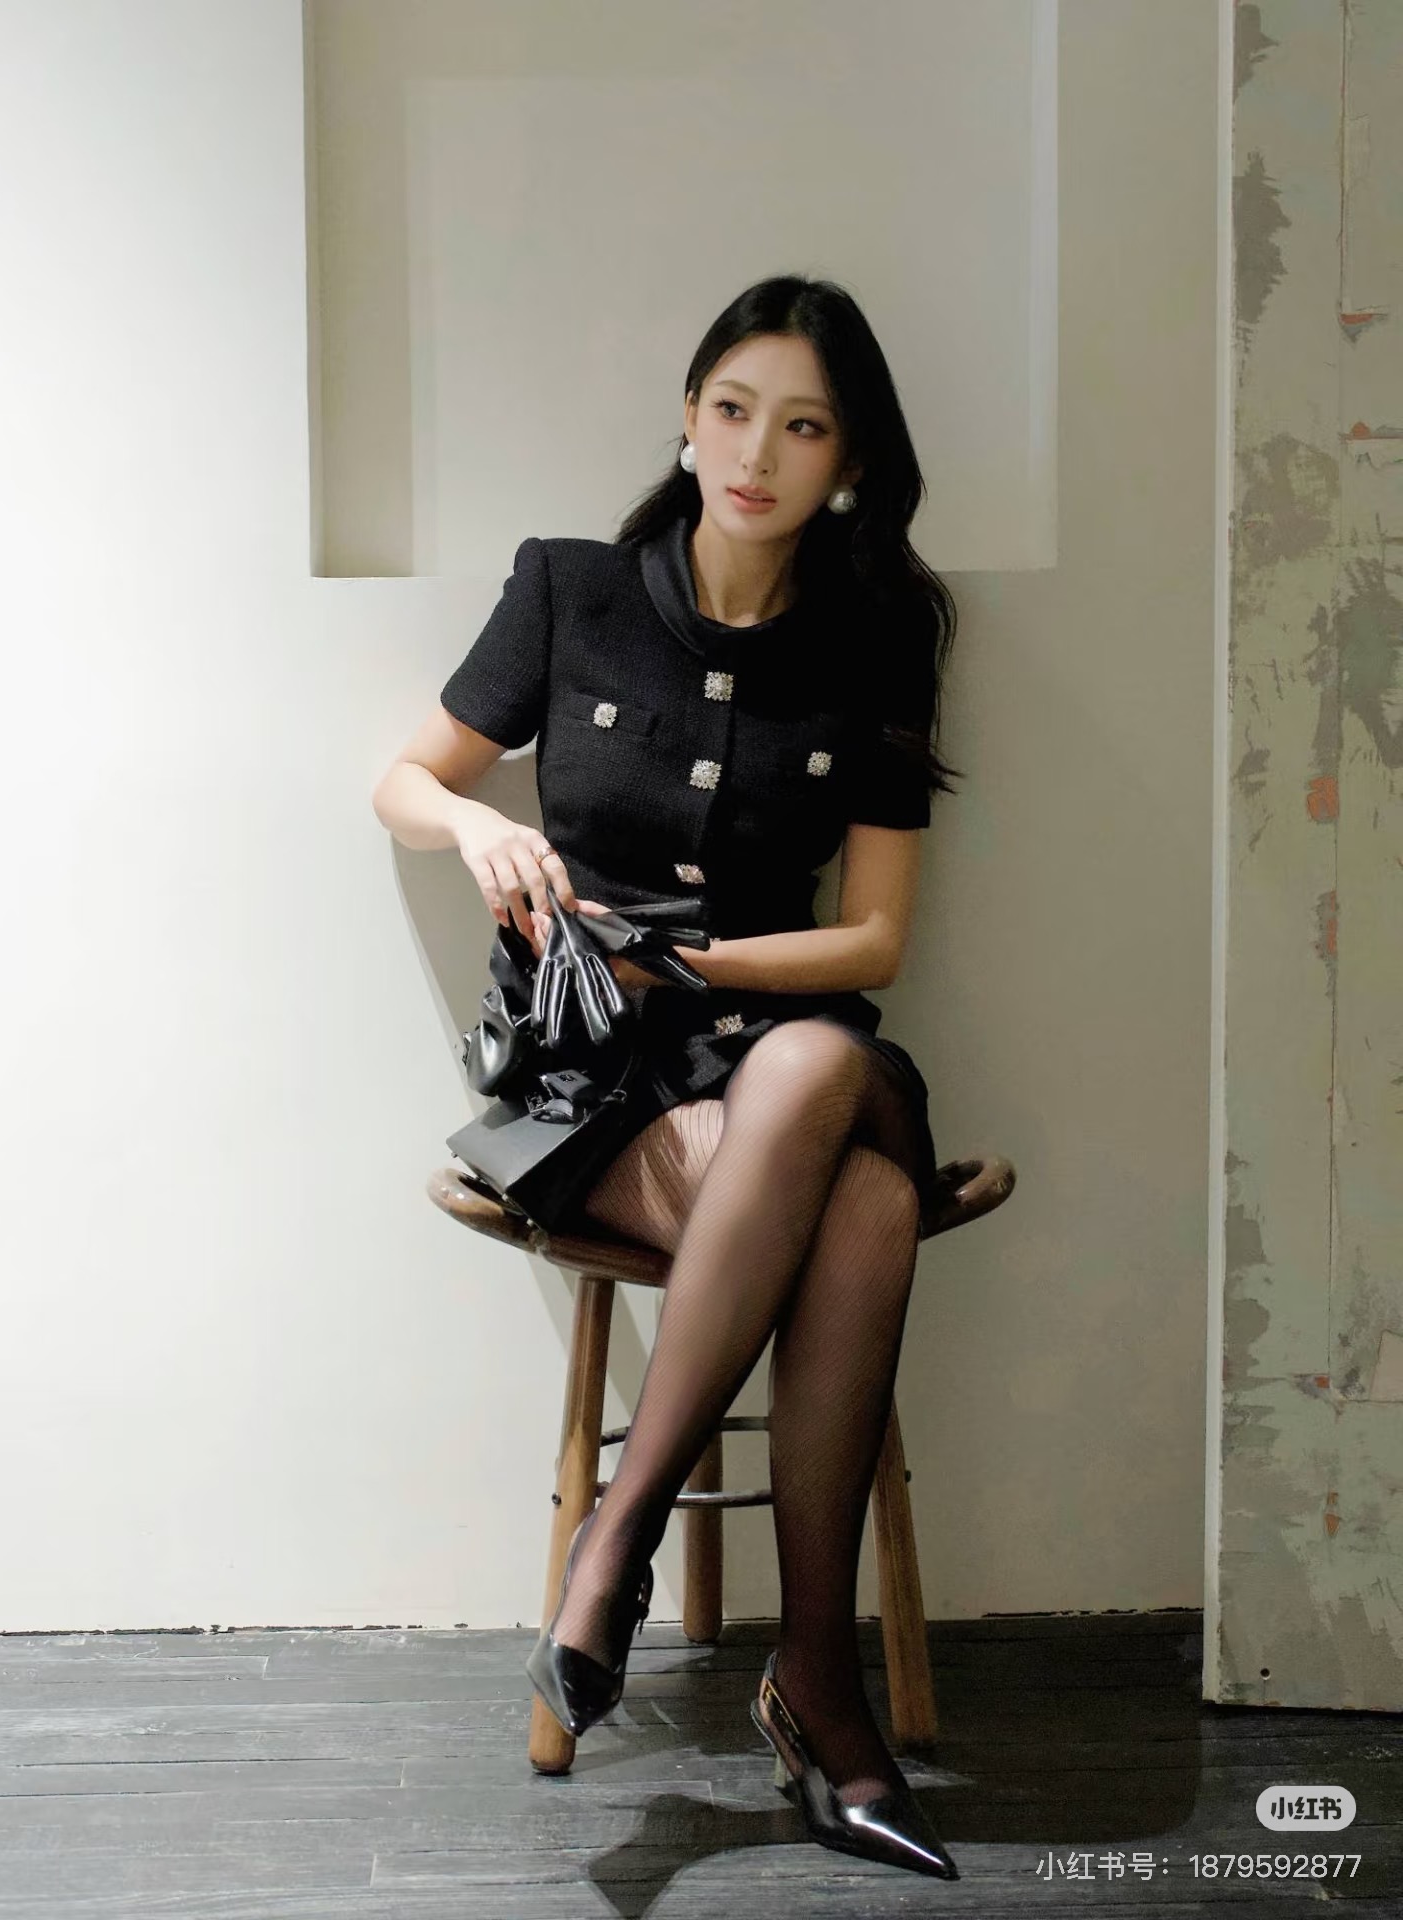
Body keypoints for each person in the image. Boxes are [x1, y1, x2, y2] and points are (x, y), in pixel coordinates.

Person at [372, 274, 963, 1880]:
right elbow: (403, 781)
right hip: (599, 1088)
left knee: (819, 1075)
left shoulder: (881, 634)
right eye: (732, 411)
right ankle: (818, 1695)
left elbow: (875, 937)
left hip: (777, 1048)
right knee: (867, 1211)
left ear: (850, 462)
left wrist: (696, 970)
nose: (757, 454)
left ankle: (619, 1532)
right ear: (688, 417)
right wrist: (480, 823)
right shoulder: (571, 589)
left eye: (803, 427)